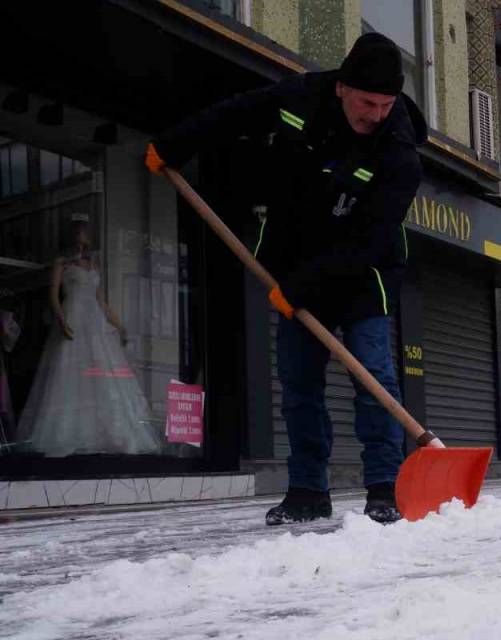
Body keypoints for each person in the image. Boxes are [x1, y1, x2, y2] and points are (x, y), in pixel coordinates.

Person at [146, 33, 433, 525]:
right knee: (299, 384)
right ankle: (306, 491)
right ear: (342, 88)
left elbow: (368, 239)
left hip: (364, 271)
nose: (377, 115)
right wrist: (174, 144)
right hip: (296, 259)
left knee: (375, 379)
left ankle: (384, 487)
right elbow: (233, 114)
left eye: (386, 105)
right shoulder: (300, 97)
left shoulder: (399, 152)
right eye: (368, 102)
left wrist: (303, 286)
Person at [14, 219, 162, 457]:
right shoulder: (62, 263)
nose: (82, 236)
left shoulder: (93, 265)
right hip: (73, 316)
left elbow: (102, 302)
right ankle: (68, 434)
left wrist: (120, 326)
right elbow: (53, 295)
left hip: (94, 321)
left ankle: (108, 434)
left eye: (84, 232)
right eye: (78, 232)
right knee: (69, 374)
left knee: (103, 374)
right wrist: (62, 320)